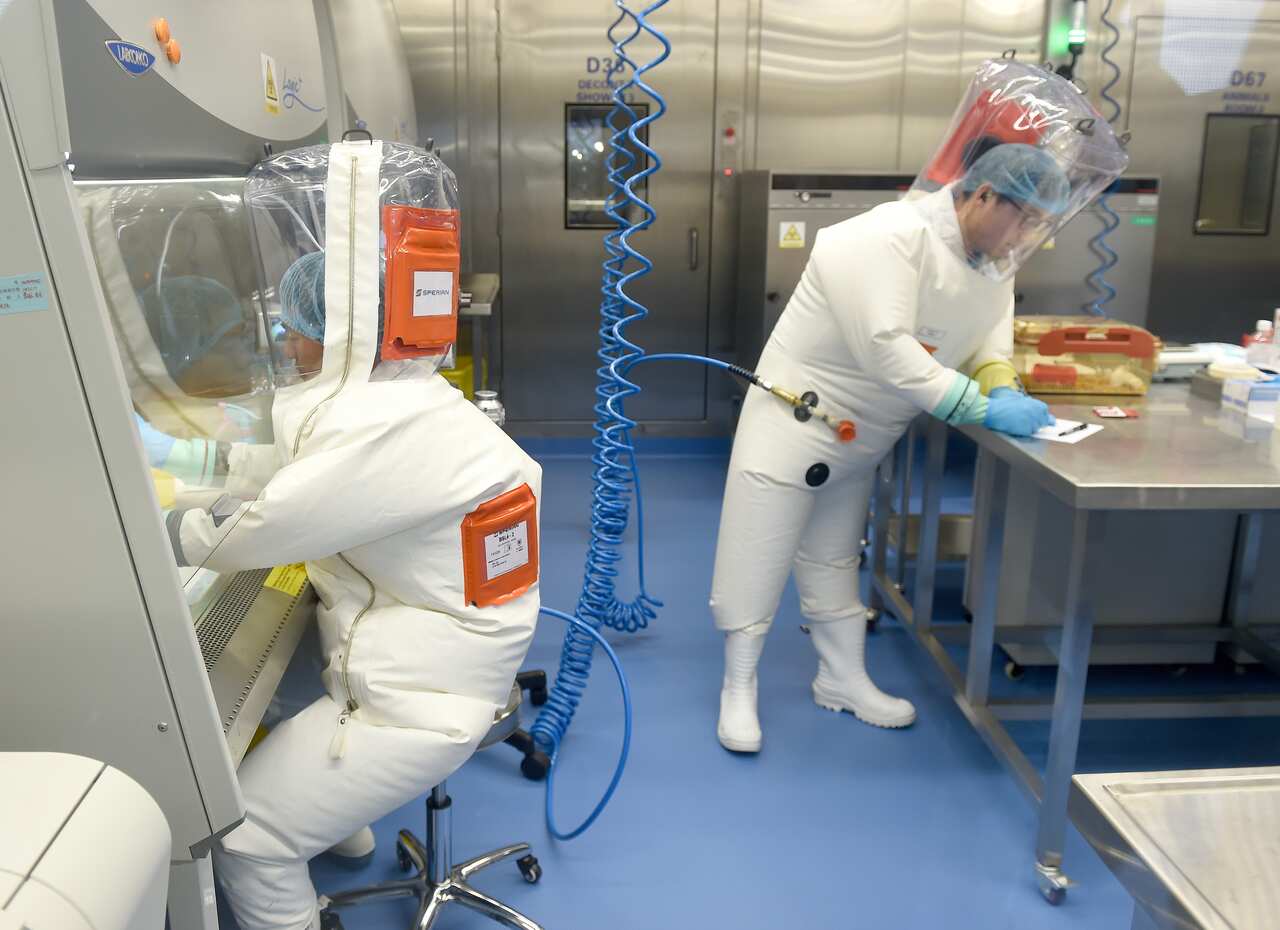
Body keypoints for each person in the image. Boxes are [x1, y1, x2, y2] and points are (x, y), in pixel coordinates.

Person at [163, 140, 541, 930]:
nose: (289, 342)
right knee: (283, 677)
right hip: (431, 649)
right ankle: (336, 817)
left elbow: (266, 524)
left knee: (251, 836)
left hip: (421, 695)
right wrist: (215, 458)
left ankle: (296, 843)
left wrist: (168, 522)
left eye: (300, 327)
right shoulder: (401, 396)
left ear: (339, 338)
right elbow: (299, 467)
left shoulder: (383, 428)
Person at [710, 142, 1071, 754]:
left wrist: (1001, 382)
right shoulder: (883, 237)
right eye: (1025, 219)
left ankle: (841, 680)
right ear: (984, 196)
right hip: (795, 421)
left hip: (865, 436)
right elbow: (885, 346)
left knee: (833, 557)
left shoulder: (991, 262)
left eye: (1040, 225)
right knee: (758, 550)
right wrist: (979, 408)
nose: (1027, 237)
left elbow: (988, 343)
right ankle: (737, 688)